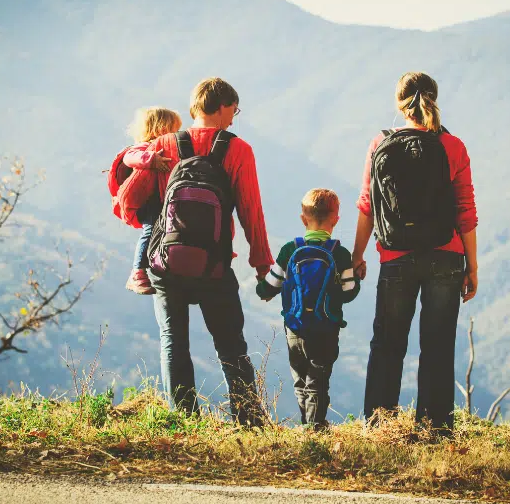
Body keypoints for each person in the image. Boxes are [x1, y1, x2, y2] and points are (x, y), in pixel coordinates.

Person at [119, 77, 274, 426]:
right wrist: (262, 263)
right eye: (233, 110)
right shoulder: (238, 150)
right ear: (221, 108)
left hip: (165, 264)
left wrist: (152, 213)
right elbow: (252, 211)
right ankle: (249, 421)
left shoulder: (162, 146)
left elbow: (127, 200)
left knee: (173, 340)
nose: (234, 119)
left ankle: (185, 421)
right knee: (231, 344)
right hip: (215, 266)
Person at [352, 71, 478, 435]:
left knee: (388, 343)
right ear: (435, 99)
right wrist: (472, 266)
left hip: (395, 258)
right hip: (446, 256)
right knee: (437, 345)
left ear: (399, 103)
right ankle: (435, 428)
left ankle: (379, 425)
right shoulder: (452, 146)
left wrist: (358, 255)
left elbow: (367, 205)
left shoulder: (380, 143)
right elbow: (465, 210)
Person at [256, 189, 360, 429]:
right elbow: (349, 293)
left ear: (303, 219)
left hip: (295, 328)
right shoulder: (340, 254)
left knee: (300, 380)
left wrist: (262, 287)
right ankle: (315, 428)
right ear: (335, 219)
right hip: (326, 328)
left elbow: (269, 288)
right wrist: (357, 277)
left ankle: (307, 423)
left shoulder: (289, 251)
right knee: (318, 380)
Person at [121, 107, 180, 295]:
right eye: (173, 129)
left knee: (161, 232)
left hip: (163, 199)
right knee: (149, 231)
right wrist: (151, 159)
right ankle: (137, 272)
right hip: (149, 200)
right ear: (159, 128)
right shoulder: (142, 147)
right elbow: (129, 157)